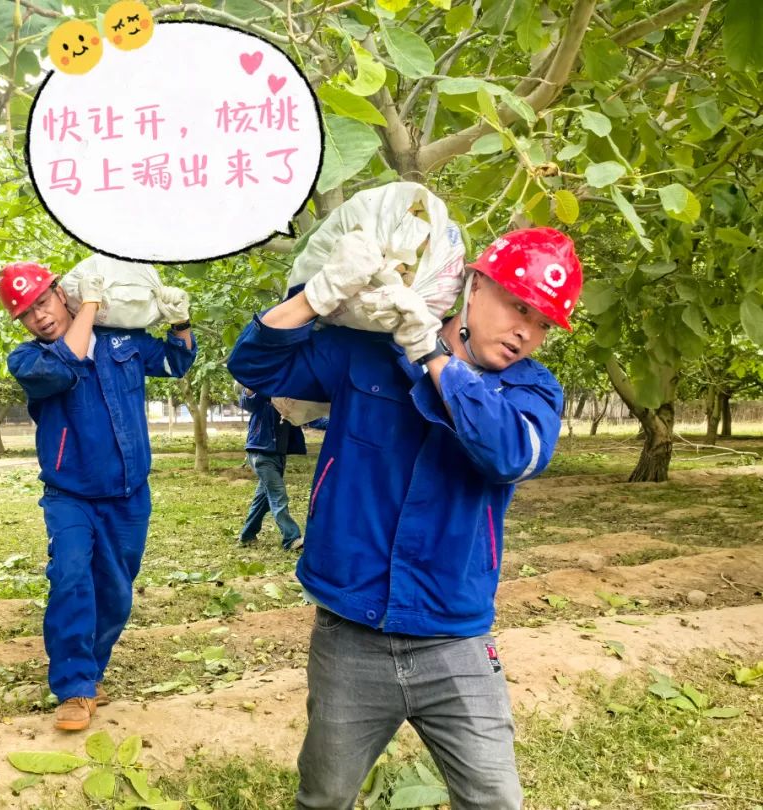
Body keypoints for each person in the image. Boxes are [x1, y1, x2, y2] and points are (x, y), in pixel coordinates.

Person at [227, 227, 583, 810]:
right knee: (324, 796)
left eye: (543, 322)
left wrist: (434, 358)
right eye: (519, 307)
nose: (527, 331)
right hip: (350, 628)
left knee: (495, 799)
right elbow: (254, 366)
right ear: (474, 285)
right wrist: (317, 294)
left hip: (455, 634)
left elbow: (509, 455)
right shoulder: (369, 349)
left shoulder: (532, 389)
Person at [0, 261, 196, 732]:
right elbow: (66, 364)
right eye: (26, 313)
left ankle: (92, 670)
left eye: (42, 302)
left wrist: (180, 323)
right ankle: (73, 687)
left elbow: (176, 362)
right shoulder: (29, 360)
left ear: (59, 293)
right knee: (70, 577)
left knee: (116, 593)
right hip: (70, 495)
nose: (39, 317)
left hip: (128, 495)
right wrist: (89, 304)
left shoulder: (121, 342)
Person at [237, 387, 305, 550]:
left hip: (278, 454)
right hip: (261, 453)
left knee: (263, 499)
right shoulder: (264, 392)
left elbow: (311, 417)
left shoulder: (290, 398)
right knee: (277, 495)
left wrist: (338, 421)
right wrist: (251, 385)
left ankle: (247, 535)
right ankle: (291, 538)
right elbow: (247, 402)